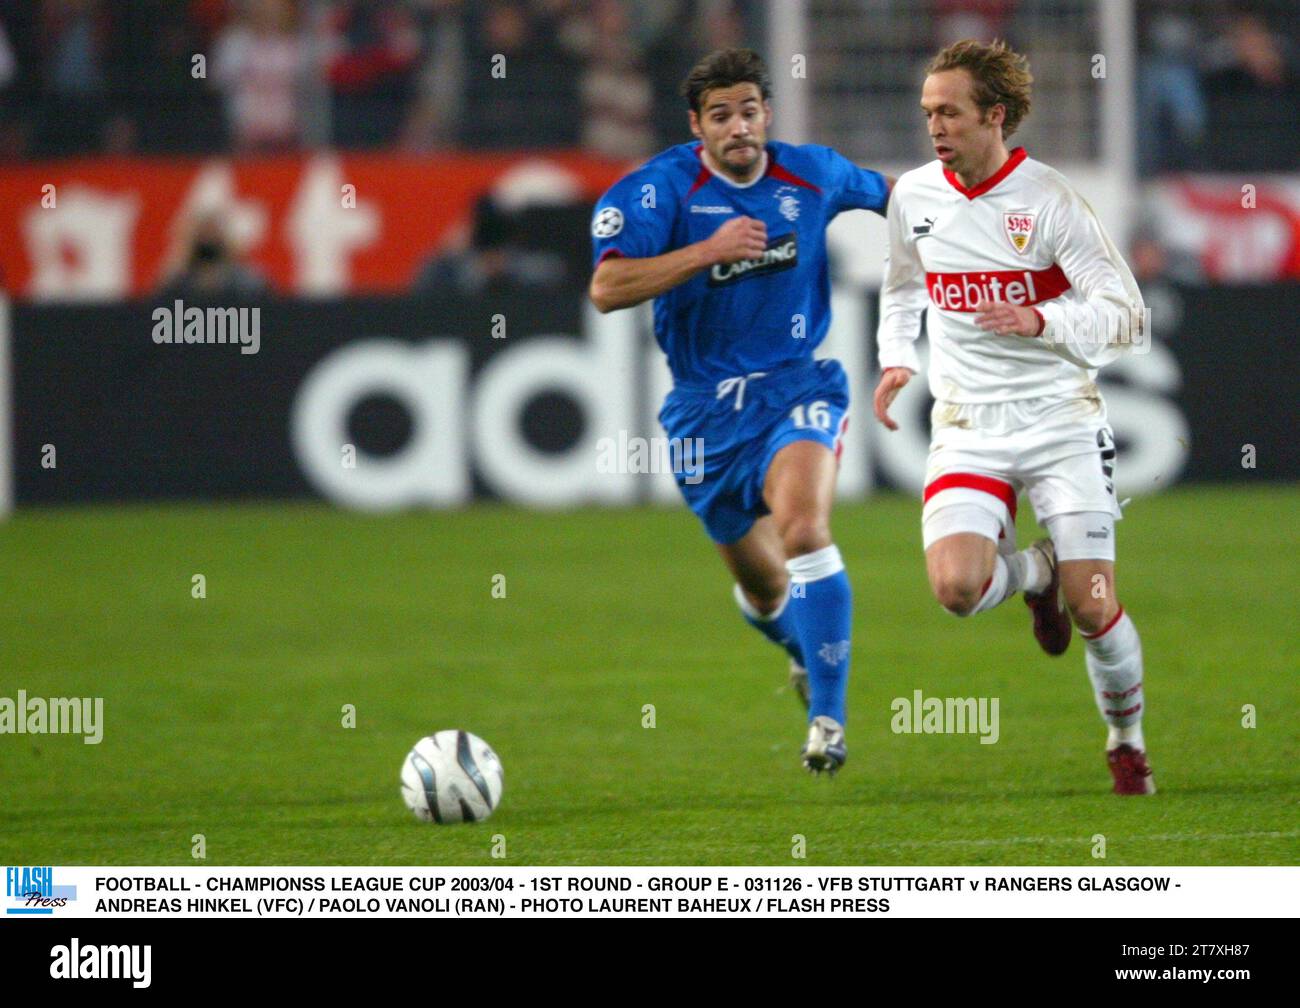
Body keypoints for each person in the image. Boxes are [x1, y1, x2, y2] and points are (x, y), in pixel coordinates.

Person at [588, 48, 891, 774]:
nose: (739, 127)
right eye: (721, 116)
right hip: (701, 415)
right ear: (697, 125)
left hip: (796, 385)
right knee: (762, 587)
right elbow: (607, 288)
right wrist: (704, 252)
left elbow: (902, 199)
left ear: (767, 114)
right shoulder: (658, 192)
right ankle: (801, 651)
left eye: (750, 111)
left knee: (804, 527)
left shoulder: (811, 172)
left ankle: (829, 718)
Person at [872, 39, 1154, 795]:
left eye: (950, 112)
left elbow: (1129, 318)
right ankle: (1036, 573)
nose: (935, 126)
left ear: (994, 116)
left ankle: (1125, 740)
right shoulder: (915, 197)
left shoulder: (1051, 200)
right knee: (957, 590)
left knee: (1094, 608)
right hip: (968, 423)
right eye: (928, 112)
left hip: (1061, 418)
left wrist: (1041, 321)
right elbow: (901, 286)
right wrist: (896, 354)